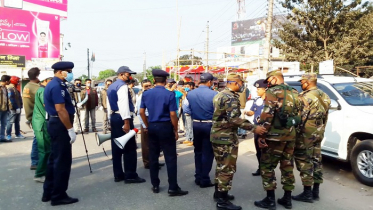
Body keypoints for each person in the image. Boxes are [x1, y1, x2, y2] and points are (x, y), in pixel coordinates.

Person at [211, 73, 266, 210]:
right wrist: (254, 128)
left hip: (217, 135)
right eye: (241, 83)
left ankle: (219, 194)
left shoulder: (219, 94)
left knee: (220, 166)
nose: (242, 86)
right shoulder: (230, 98)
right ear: (235, 83)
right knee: (227, 168)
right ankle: (222, 202)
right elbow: (234, 119)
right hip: (226, 138)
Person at [254, 69, 302, 210]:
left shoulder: (272, 92)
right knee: (287, 166)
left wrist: (262, 134)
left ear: (275, 79)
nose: (268, 84)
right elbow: (300, 113)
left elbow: (268, 115)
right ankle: (287, 198)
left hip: (274, 137)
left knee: (267, 166)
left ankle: (270, 200)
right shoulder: (294, 92)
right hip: (290, 135)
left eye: (269, 81)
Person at [140, 69, 188, 196]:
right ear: (166, 81)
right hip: (165, 126)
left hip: (152, 126)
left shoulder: (146, 94)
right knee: (170, 157)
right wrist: (176, 129)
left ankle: (155, 185)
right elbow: (173, 114)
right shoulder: (169, 94)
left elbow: (141, 112)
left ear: (154, 80)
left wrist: (147, 124)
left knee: (153, 156)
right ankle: (173, 187)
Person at [42, 61, 78, 206]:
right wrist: (70, 129)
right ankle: (59, 195)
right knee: (62, 161)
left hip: (56, 123)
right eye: (68, 71)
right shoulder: (57, 86)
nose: (70, 74)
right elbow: (61, 109)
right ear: (59, 71)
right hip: (60, 124)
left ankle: (48, 192)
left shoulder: (56, 84)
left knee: (54, 160)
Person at [292, 73, 330, 203]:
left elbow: (300, 118)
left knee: (304, 161)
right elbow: (326, 116)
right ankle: (316, 191)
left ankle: (307, 193)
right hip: (318, 132)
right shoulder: (324, 95)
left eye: (302, 82)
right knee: (316, 160)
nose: (301, 84)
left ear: (307, 82)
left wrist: (295, 133)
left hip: (306, 133)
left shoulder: (305, 97)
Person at [107, 66, 146, 184]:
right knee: (129, 148)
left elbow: (109, 105)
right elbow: (123, 104)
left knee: (117, 148)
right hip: (123, 117)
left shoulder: (111, 86)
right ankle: (130, 175)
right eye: (129, 74)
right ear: (122, 74)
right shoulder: (122, 86)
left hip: (114, 116)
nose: (130, 77)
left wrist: (110, 119)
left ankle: (118, 174)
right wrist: (127, 122)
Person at [185, 73, 217, 188]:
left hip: (196, 124)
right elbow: (218, 111)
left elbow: (186, 110)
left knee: (198, 151)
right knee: (207, 152)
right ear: (209, 82)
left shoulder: (190, 94)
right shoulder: (215, 94)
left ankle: (198, 176)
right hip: (209, 124)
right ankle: (204, 178)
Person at [136, 79, 165, 169]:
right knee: (146, 144)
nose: (148, 88)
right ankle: (148, 162)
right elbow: (140, 113)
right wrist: (144, 126)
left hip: (154, 119)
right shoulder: (141, 96)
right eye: (146, 86)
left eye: (149, 85)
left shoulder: (152, 95)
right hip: (146, 119)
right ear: (142, 87)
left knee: (155, 142)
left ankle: (154, 161)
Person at [32, 75, 53, 183]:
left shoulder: (42, 90)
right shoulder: (43, 91)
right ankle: (39, 174)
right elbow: (47, 105)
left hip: (41, 122)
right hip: (41, 124)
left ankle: (45, 171)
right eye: (51, 80)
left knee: (47, 148)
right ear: (45, 80)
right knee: (44, 150)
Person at [245, 79, 266, 176]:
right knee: (258, 150)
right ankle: (261, 168)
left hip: (266, 129)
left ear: (264, 89)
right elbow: (252, 111)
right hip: (257, 128)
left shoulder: (270, 100)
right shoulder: (258, 100)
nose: (257, 91)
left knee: (267, 151)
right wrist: (247, 112)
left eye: (259, 89)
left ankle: (267, 170)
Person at [23, 67, 41, 170]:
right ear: (37, 76)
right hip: (36, 116)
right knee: (38, 139)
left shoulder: (27, 86)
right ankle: (35, 161)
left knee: (37, 138)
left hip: (31, 115)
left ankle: (35, 161)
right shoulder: (36, 88)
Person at [6, 76, 24, 141]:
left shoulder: (15, 88)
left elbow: (19, 98)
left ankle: (17, 134)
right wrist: (16, 107)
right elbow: (11, 99)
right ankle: (8, 135)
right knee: (10, 122)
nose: (18, 82)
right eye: (17, 81)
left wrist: (20, 106)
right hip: (12, 108)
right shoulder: (10, 88)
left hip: (17, 107)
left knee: (17, 122)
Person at [0, 75, 11, 143]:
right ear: (6, 81)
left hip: (4, 109)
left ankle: (2, 137)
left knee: (4, 123)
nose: (10, 82)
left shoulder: (5, 88)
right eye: (9, 80)